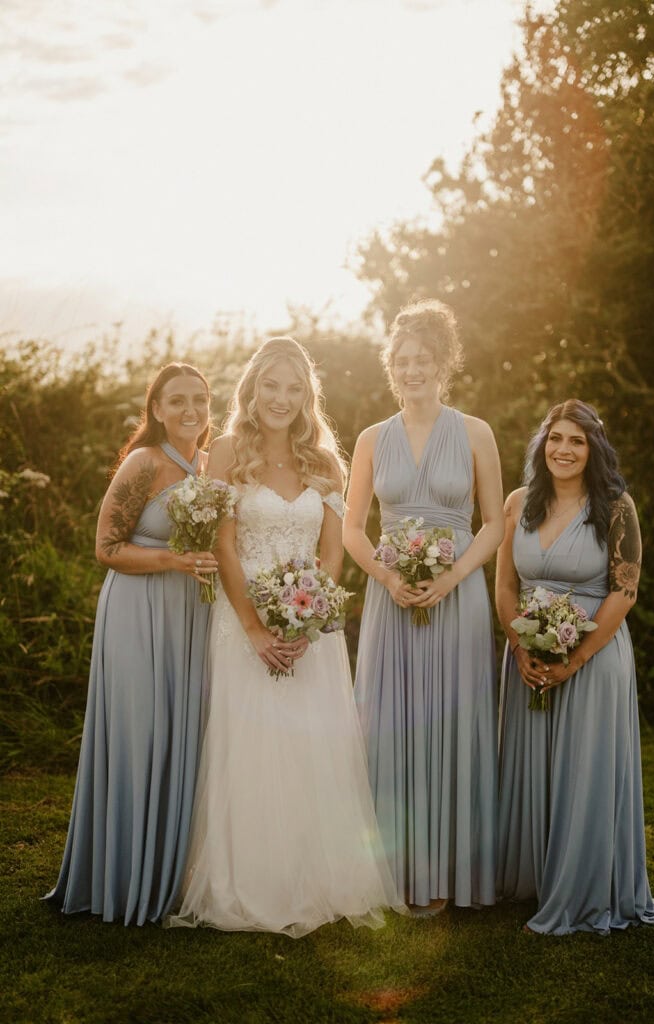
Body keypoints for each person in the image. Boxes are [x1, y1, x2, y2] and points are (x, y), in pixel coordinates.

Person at [167, 336, 404, 937]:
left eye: (294, 388)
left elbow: (331, 554)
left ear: (307, 397)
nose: (281, 398)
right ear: (252, 388)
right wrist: (254, 623)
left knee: (311, 751)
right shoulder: (223, 453)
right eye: (271, 385)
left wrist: (304, 615)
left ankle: (317, 879)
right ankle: (248, 882)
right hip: (239, 622)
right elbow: (222, 544)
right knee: (250, 749)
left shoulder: (327, 463)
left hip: (310, 632)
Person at [344, 299, 504, 915]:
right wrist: (387, 577)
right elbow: (355, 529)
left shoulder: (474, 432)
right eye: (403, 360)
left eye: (424, 359)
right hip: (391, 597)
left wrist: (454, 578)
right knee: (391, 722)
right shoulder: (368, 439)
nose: (413, 369)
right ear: (392, 366)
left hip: (457, 595)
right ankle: (394, 872)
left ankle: (449, 873)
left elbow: (493, 524)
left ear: (444, 364)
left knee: (450, 723)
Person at [45, 363, 218, 926]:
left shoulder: (209, 466)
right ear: (157, 409)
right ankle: (121, 878)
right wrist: (173, 559)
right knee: (139, 734)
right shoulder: (143, 463)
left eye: (199, 399)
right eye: (177, 401)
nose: (190, 410)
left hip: (190, 616)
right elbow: (106, 547)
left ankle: (166, 877)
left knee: (178, 737)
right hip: (137, 609)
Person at [496, 399, 654, 935]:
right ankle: (535, 876)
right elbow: (505, 584)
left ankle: (585, 886)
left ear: (593, 449)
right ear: (542, 446)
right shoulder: (518, 503)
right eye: (556, 439)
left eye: (577, 440)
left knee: (585, 767)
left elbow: (624, 590)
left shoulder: (617, 507)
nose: (564, 450)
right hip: (528, 654)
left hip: (593, 657)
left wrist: (574, 658)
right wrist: (521, 645)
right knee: (535, 765)